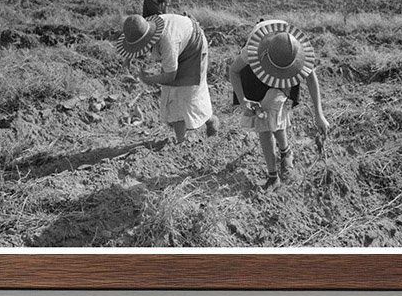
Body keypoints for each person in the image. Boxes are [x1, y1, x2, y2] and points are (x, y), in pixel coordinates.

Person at [228, 19, 329, 189]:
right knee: (265, 120)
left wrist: (319, 115)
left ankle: (280, 160)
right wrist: (244, 101)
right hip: (255, 72)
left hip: (285, 72)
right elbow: (233, 71)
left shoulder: (296, 52)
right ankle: (275, 172)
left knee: (272, 116)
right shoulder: (253, 50)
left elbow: (311, 78)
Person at [118, 10, 218, 144]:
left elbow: (171, 76)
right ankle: (184, 137)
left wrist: (148, 80)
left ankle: (186, 139)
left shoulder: (168, 41)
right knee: (172, 100)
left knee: (184, 94)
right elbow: (135, 41)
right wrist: (128, 58)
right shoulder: (143, 27)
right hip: (181, 42)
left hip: (193, 48)